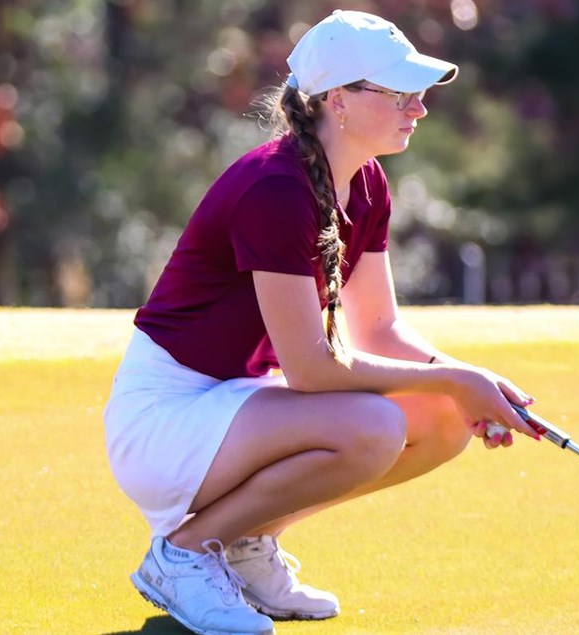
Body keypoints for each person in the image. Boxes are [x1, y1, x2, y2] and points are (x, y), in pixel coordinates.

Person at [104, 10, 539, 635]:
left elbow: (379, 332)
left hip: (234, 407)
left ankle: (246, 547)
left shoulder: (367, 184)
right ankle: (185, 554)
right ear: (338, 99)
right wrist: (456, 379)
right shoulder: (274, 189)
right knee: (374, 425)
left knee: (444, 422)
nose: (418, 108)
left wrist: (472, 384)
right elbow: (311, 369)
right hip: (165, 423)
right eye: (398, 93)